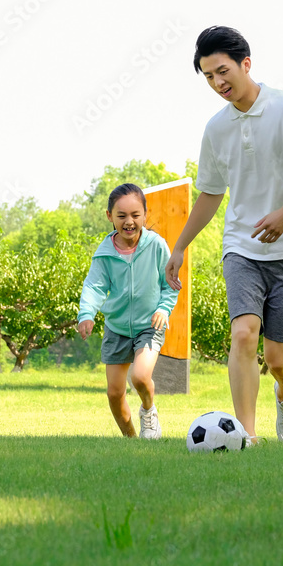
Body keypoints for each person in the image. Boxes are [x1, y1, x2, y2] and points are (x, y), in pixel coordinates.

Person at [165, 26, 283, 445]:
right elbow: (211, 192)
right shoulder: (216, 128)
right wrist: (180, 245)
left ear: (246, 64)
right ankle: (247, 435)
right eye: (208, 77)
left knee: (279, 359)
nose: (218, 83)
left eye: (222, 71)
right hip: (242, 246)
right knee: (243, 332)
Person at [77, 183, 179, 439]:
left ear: (145, 214)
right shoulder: (104, 254)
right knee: (114, 393)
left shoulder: (157, 246)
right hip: (117, 327)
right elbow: (94, 286)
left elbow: (171, 284)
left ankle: (148, 411)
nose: (129, 222)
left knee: (141, 377)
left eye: (135, 215)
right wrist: (87, 314)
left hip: (149, 325)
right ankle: (131, 440)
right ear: (110, 216)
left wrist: (164, 309)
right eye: (121, 216)